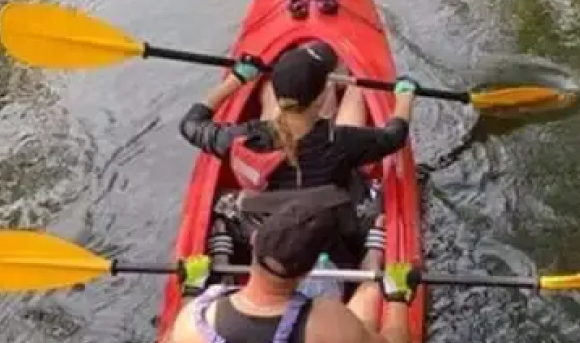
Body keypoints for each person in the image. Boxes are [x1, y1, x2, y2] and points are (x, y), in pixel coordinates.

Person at [156, 200, 417, 343]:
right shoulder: (329, 320)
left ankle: (221, 256)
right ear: (308, 270)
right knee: (363, 312)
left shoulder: (197, 317)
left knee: (347, 332)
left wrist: (191, 293)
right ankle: (372, 269)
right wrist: (396, 299)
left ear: (254, 242)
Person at [178, 39, 417, 267]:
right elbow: (394, 136)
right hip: (328, 239)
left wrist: (236, 79)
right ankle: (371, 251)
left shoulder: (241, 138)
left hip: (263, 232)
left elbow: (190, 124)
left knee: (227, 202)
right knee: (375, 192)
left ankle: (224, 250)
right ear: (322, 97)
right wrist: (404, 98)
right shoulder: (341, 141)